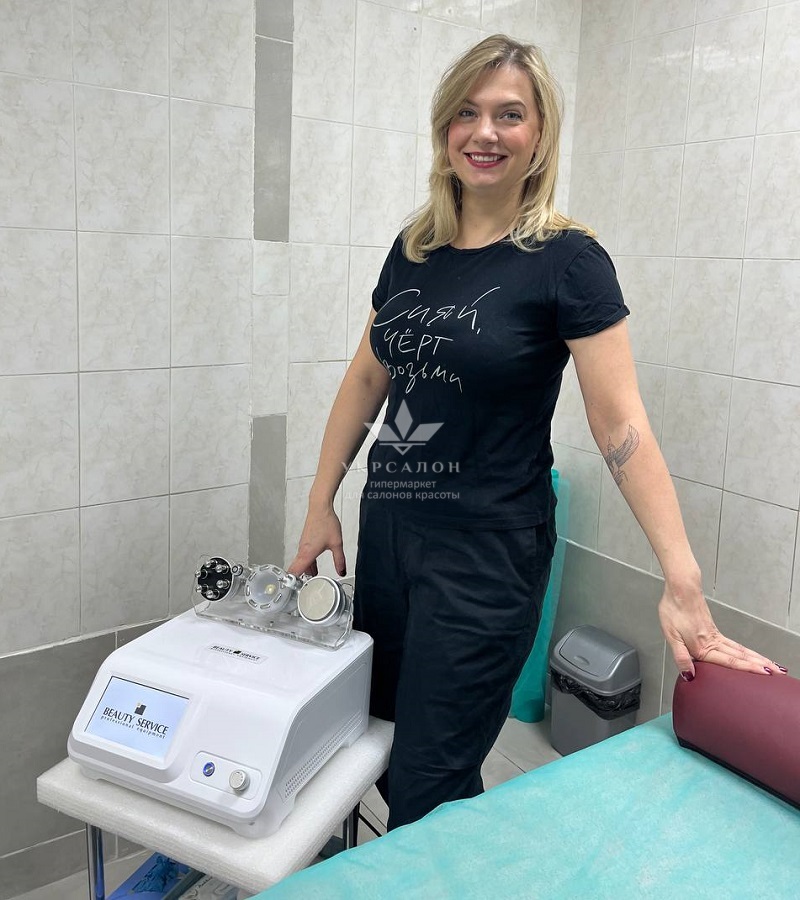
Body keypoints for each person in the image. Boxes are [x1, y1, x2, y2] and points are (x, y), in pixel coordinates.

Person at [287, 34, 786, 831]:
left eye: (509, 114)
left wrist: (682, 578)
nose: (484, 132)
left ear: (541, 133)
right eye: (467, 113)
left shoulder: (568, 261)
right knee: (386, 747)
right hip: (392, 535)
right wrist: (322, 503)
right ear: (444, 129)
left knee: (426, 782)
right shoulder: (415, 249)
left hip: (487, 556)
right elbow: (367, 379)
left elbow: (620, 423)